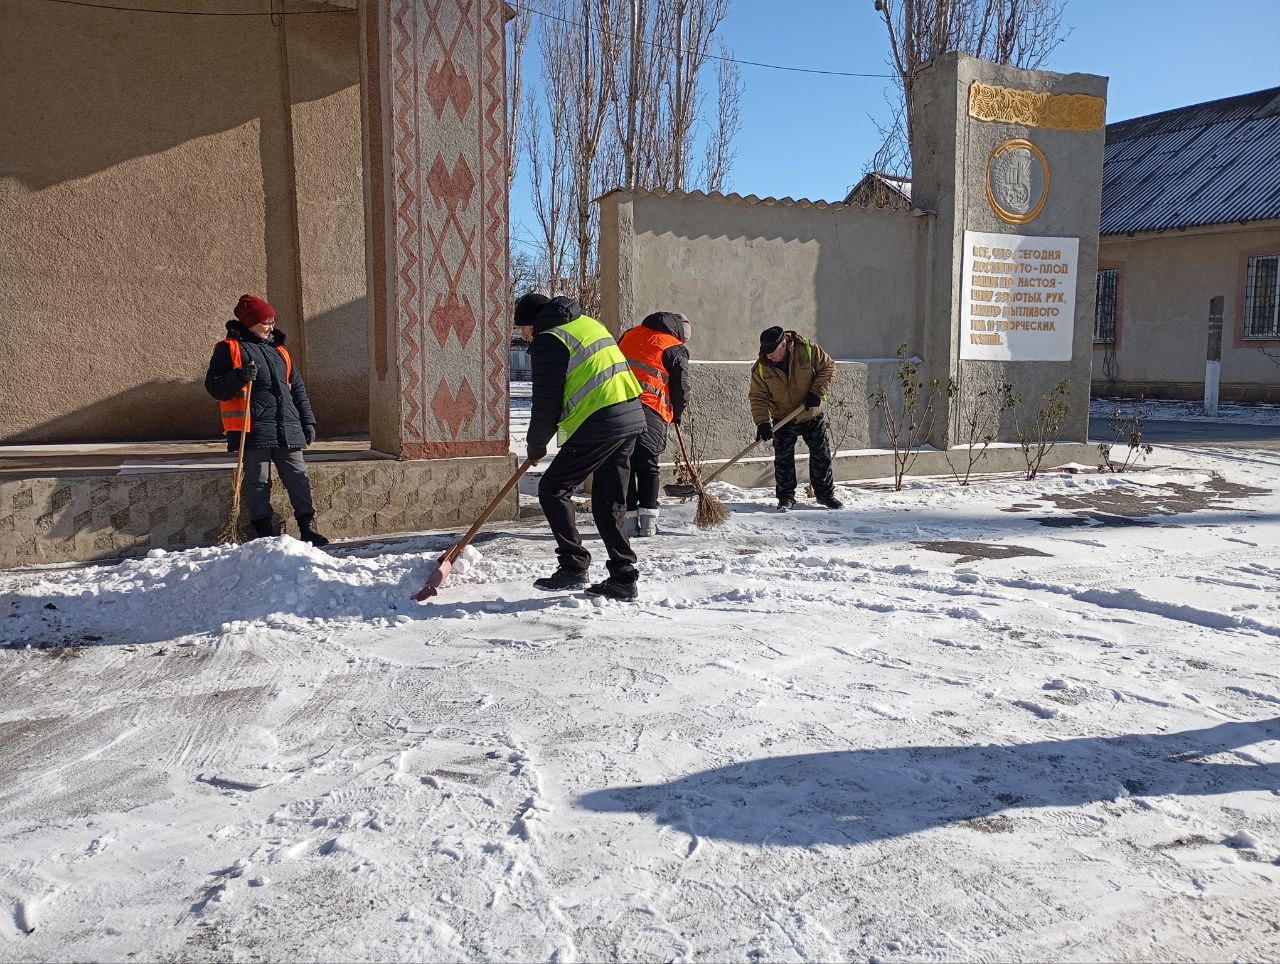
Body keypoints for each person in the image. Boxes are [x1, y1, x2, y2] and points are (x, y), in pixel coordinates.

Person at [516, 292, 646, 601]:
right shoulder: (587, 323)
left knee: (553, 489)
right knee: (609, 499)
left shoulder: (550, 339)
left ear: (533, 323)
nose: (523, 334)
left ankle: (573, 566)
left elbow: (546, 403)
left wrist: (535, 445)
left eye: (523, 327)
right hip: (629, 414)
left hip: (600, 421)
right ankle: (623, 576)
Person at [204, 294, 329, 547]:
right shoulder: (229, 348)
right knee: (258, 481)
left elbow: (297, 389)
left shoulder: (279, 351)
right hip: (253, 428)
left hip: (287, 426)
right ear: (250, 322)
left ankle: (308, 528)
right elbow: (214, 387)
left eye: (272, 321)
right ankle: (264, 533)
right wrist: (239, 375)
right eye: (266, 322)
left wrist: (308, 421)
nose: (271, 326)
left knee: (298, 477)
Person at [749, 325, 843, 512]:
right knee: (783, 459)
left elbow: (829, 367)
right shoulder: (762, 367)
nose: (769, 357)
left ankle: (825, 495)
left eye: (772, 352)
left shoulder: (807, 350)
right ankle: (786, 498)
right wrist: (763, 423)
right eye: (766, 353)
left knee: (821, 454)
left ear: (784, 344)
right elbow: (758, 396)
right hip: (783, 417)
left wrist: (816, 391)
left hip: (810, 413)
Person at [618, 311, 691, 537]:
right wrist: (677, 413)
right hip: (651, 409)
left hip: (619, 408)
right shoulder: (674, 347)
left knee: (626, 464)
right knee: (648, 464)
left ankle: (629, 523)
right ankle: (648, 524)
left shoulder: (629, 335)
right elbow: (681, 388)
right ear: (678, 333)